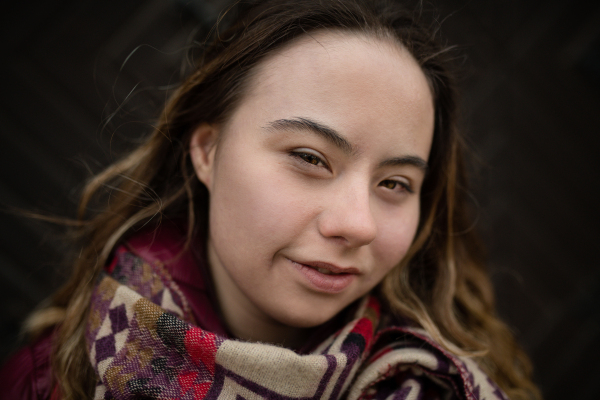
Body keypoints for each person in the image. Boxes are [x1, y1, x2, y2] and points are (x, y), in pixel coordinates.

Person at [0, 0, 541, 399]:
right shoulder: (52, 381)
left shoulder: (441, 381)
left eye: (395, 184)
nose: (358, 224)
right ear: (208, 151)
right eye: (309, 157)